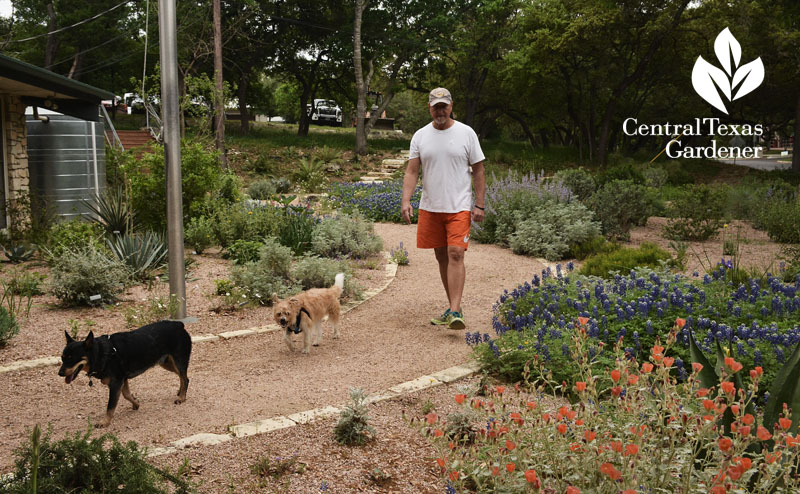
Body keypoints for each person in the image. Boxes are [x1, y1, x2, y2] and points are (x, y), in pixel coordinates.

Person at [400, 87, 486, 330]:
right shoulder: (420, 136)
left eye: (444, 106)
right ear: (429, 108)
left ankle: (456, 310)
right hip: (431, 206)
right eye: (436, 106)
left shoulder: (466, 133)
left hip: (458, 205)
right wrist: (406, 201)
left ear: (451, 106)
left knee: (456, 253)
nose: (440, 110)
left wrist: (479, 204)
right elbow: (412, 171)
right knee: (441, 256)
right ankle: (452, 307)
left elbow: (478, 170)